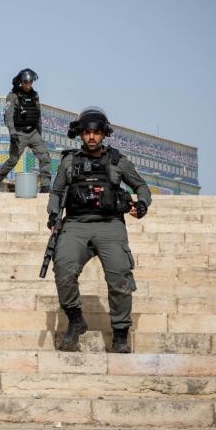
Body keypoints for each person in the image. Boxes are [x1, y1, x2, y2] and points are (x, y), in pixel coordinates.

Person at [48, 106, 151, 354]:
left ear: (104, 134)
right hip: (76, 224)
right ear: (80, 135)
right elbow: (57, 191)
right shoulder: (69, 162)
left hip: (110, 225)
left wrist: (142, 204)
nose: (91, 137)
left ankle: (120, 334)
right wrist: (53, 215)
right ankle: (75, 320)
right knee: (62, 268)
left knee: (120, 279)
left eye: (96, 133)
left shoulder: (118, 161)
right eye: (86, 133)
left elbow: (142, 186)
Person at [0, 68, 52, 195]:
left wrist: (39, 133)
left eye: (30, 82)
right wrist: (12, 133)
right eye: (26, 82)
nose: (28, 85)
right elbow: (8, 116)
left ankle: (45, 186)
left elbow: (37, 115)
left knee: (45, 157)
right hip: (19, 133)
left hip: (33, 133)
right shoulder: (12, 97)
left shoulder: (35, 95)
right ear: (20, 82)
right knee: (13, 161)